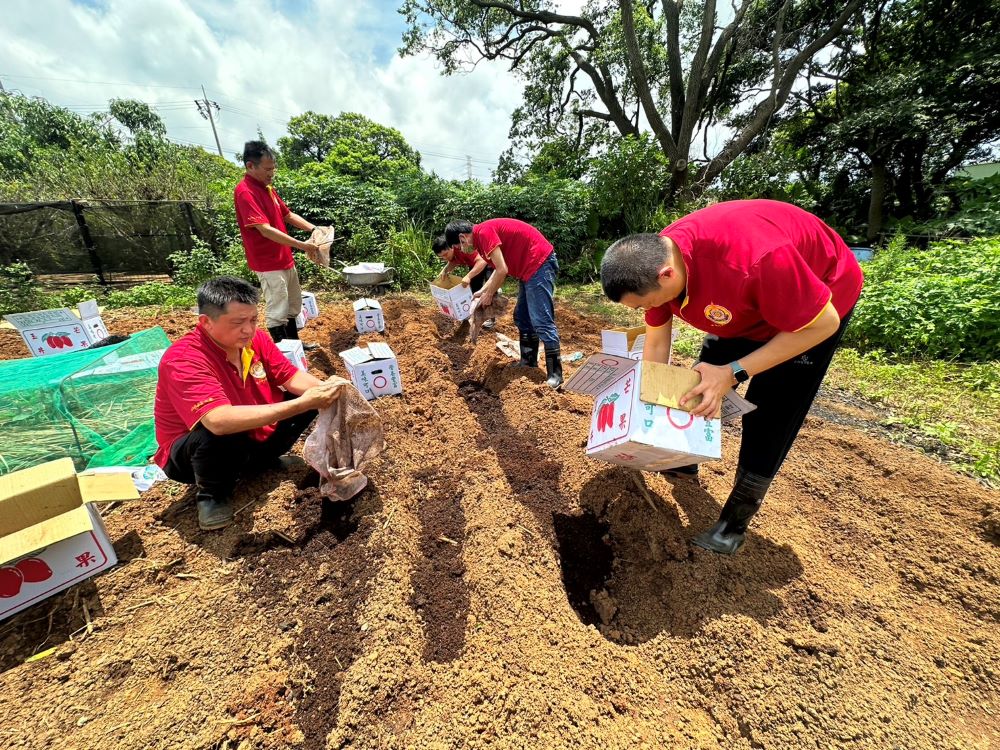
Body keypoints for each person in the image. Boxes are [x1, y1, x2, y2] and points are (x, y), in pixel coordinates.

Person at [600, 199, 863, 555]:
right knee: (699, 380)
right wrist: (644, 406)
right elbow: (657, 343)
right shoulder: (656, 260)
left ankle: (734, 524)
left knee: (772, 407)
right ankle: (682, 459)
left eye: (643, 304)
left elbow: (824, 323)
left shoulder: (756, 259)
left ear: (667, 275)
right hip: (745, 304)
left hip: (814, 309)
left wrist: (735, 371)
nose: (645, 311)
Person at [153, 276, 345, 531]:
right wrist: (301, 404)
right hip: (195, 453)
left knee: (306, 399)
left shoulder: (255, 341)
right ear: (206, 322)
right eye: (238, 322)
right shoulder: (184, 359)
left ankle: (260, 461)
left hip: (247, 433)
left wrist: (326, 391)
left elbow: (289, 376)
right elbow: (218, 421)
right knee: (217, 434)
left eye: (254, 319)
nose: (248, 329)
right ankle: (212, 494)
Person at [444, 218, 563, 388]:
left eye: (459, 246)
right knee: (521, 316)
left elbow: (502, 270)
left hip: (539, 264)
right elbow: (497, 271)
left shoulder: (484, 233)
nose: (462, 250)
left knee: (541, 320)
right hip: (528, 270)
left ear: (462, 238)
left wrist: (490, 294)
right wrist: (482, 291)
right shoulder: (481, 240)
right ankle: (528, 362)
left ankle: (555, 375)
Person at [234, 140, 321, 349]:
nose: (271, 173)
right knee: (278, 309)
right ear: (250, 166)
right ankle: (283, 353)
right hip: (268, 263)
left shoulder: (268, 189)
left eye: (273, 168)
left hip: (284, 258)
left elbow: (288, 215)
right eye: (267, 169)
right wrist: (303, 245)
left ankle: (296, 347)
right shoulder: (246, 191)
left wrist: (314, 229)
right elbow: (264, 229)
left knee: (292, 305)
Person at [431, 234, 495, 328]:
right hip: (474, 264)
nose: (444, 258)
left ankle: (491, 318)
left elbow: (481, 261)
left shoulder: (464, 248)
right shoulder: (453, 252)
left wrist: (468, 276)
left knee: (490, 290)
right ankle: (474, 314)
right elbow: (453, 260)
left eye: (445, 254)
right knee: (474, 291)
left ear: (452, 247)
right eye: (441, 257)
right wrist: (445, 271)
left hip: (488, 261)